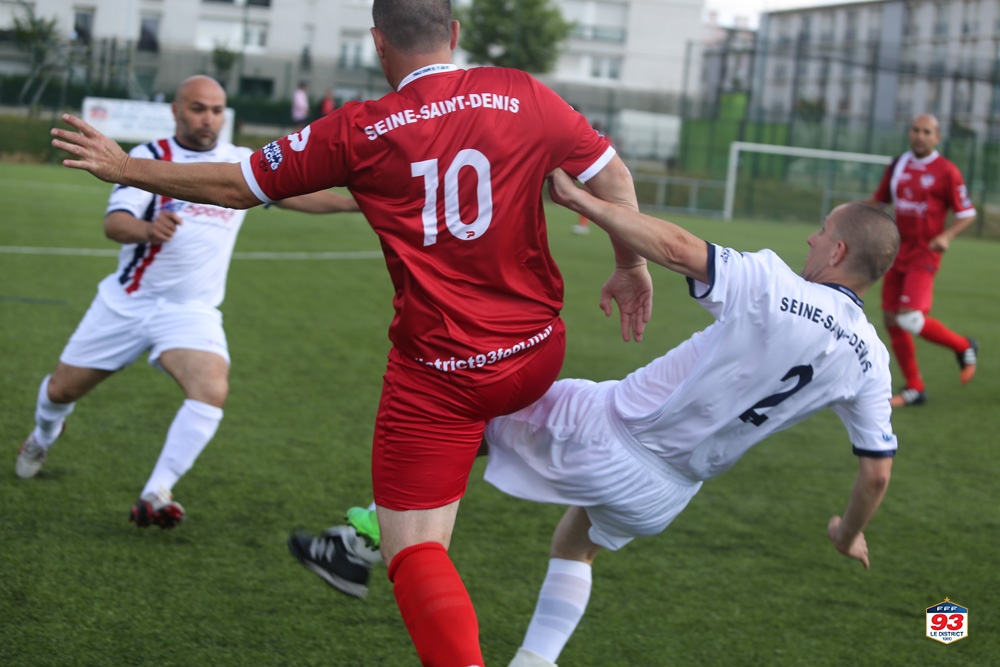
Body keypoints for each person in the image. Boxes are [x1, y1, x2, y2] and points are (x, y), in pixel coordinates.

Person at [49, 2, 653, 664]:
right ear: (454, 34)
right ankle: (380, 521)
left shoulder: (358, 128)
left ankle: (367, 543)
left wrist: (125, 168)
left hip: (443, 377)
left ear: (377, 43)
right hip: (537, 352)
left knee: (414, 550)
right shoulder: (521, 92)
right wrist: (630, 265)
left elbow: (236, 185)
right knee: (483, 422)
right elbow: (613, 176)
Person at [301, 189, 901, 667]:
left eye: (822, 230)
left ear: (838, 251)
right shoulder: (873, 362)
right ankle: (535, 660)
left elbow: (676, 248)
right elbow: (876, 474)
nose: (811, 238)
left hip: (608, 430)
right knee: (576, 545)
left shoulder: (777, 285)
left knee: (467, 412)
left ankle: (360, 542)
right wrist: (847, 534)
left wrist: (583, 200)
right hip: (667, 493)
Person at [19, 75, 359, 529]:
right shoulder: (149, 156)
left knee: (211, 389)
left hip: (191, 311)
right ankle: (44, 434)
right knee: (60, 391)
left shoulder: (240, 162)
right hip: (129, 302)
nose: (208, 119)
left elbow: (293, 194)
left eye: (217, 110)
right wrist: (148, 230)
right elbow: (115, 223)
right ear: (176, 111)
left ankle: (157, 491)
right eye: (198, 109)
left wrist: (354, 204)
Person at [862, 113, 978, 407]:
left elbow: (967, 213)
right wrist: (849, 213)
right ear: (909, 133)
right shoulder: (898, 165)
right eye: (915, 130)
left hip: (925, 253)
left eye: (927, 131)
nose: (920, 136)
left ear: (937, 137)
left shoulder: (947, 171)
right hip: (896, 249)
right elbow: (879, 201)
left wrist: (947, 236)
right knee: (891, 319)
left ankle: (963, 345)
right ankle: (915, 387)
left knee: (910, 318)